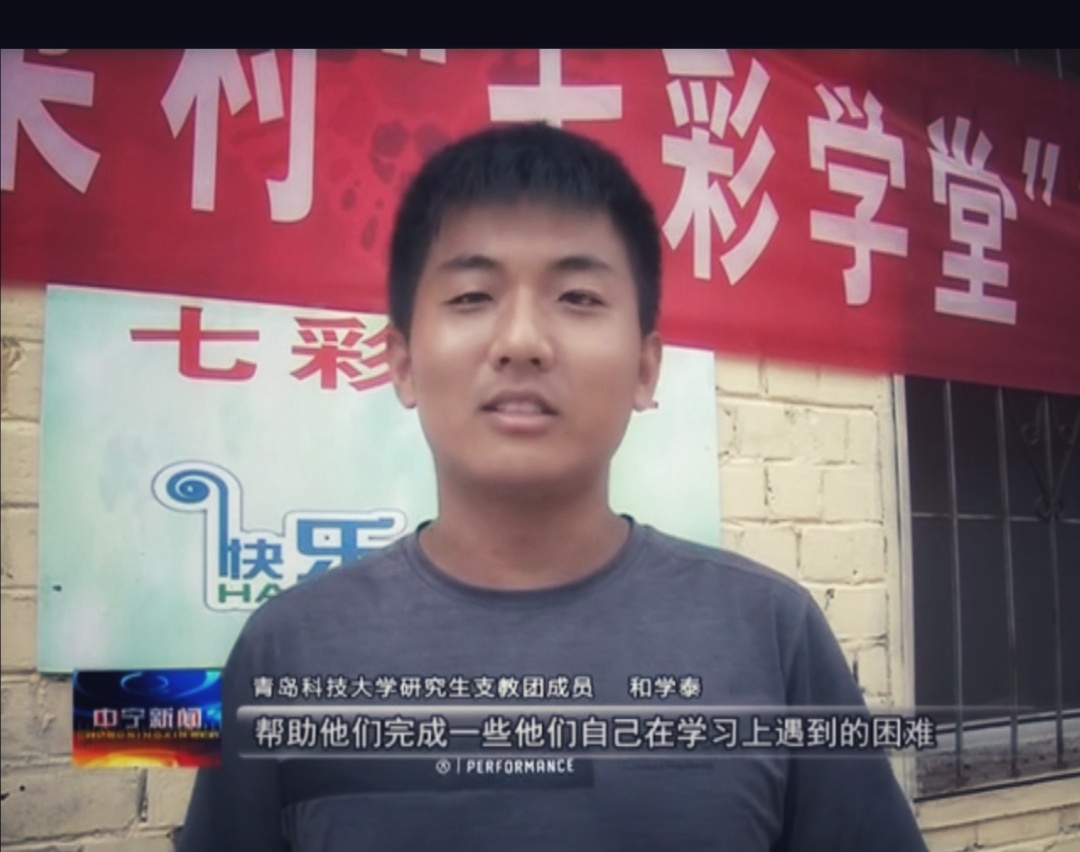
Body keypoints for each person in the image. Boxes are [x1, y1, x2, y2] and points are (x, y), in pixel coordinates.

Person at [178, 122, 928, 851]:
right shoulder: (287, 652)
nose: (522, 343)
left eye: (577, 298)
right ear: (402, 363)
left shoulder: (770, 636)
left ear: (645, 368)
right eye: (471, 297)